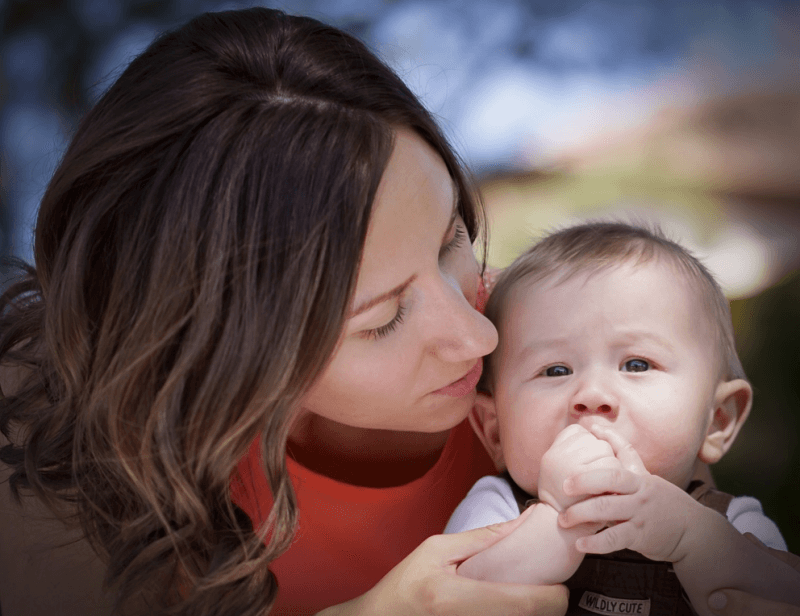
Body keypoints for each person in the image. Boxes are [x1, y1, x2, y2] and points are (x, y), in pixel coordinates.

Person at [0, 7, 572, 616]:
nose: (477, 335)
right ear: (222, 346)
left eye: (451, 241)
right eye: (383, 320)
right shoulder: (61, 462)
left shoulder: (572, 349)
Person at [445, 222, 800, 616]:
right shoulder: (496, 509)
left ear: (716, 420)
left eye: (636, 364)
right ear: (495, 430)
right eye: (556, 370)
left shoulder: (734, 521)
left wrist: (691, 540)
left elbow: (783, 598)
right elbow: (451, 599)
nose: (593, 395)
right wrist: (556, 522)